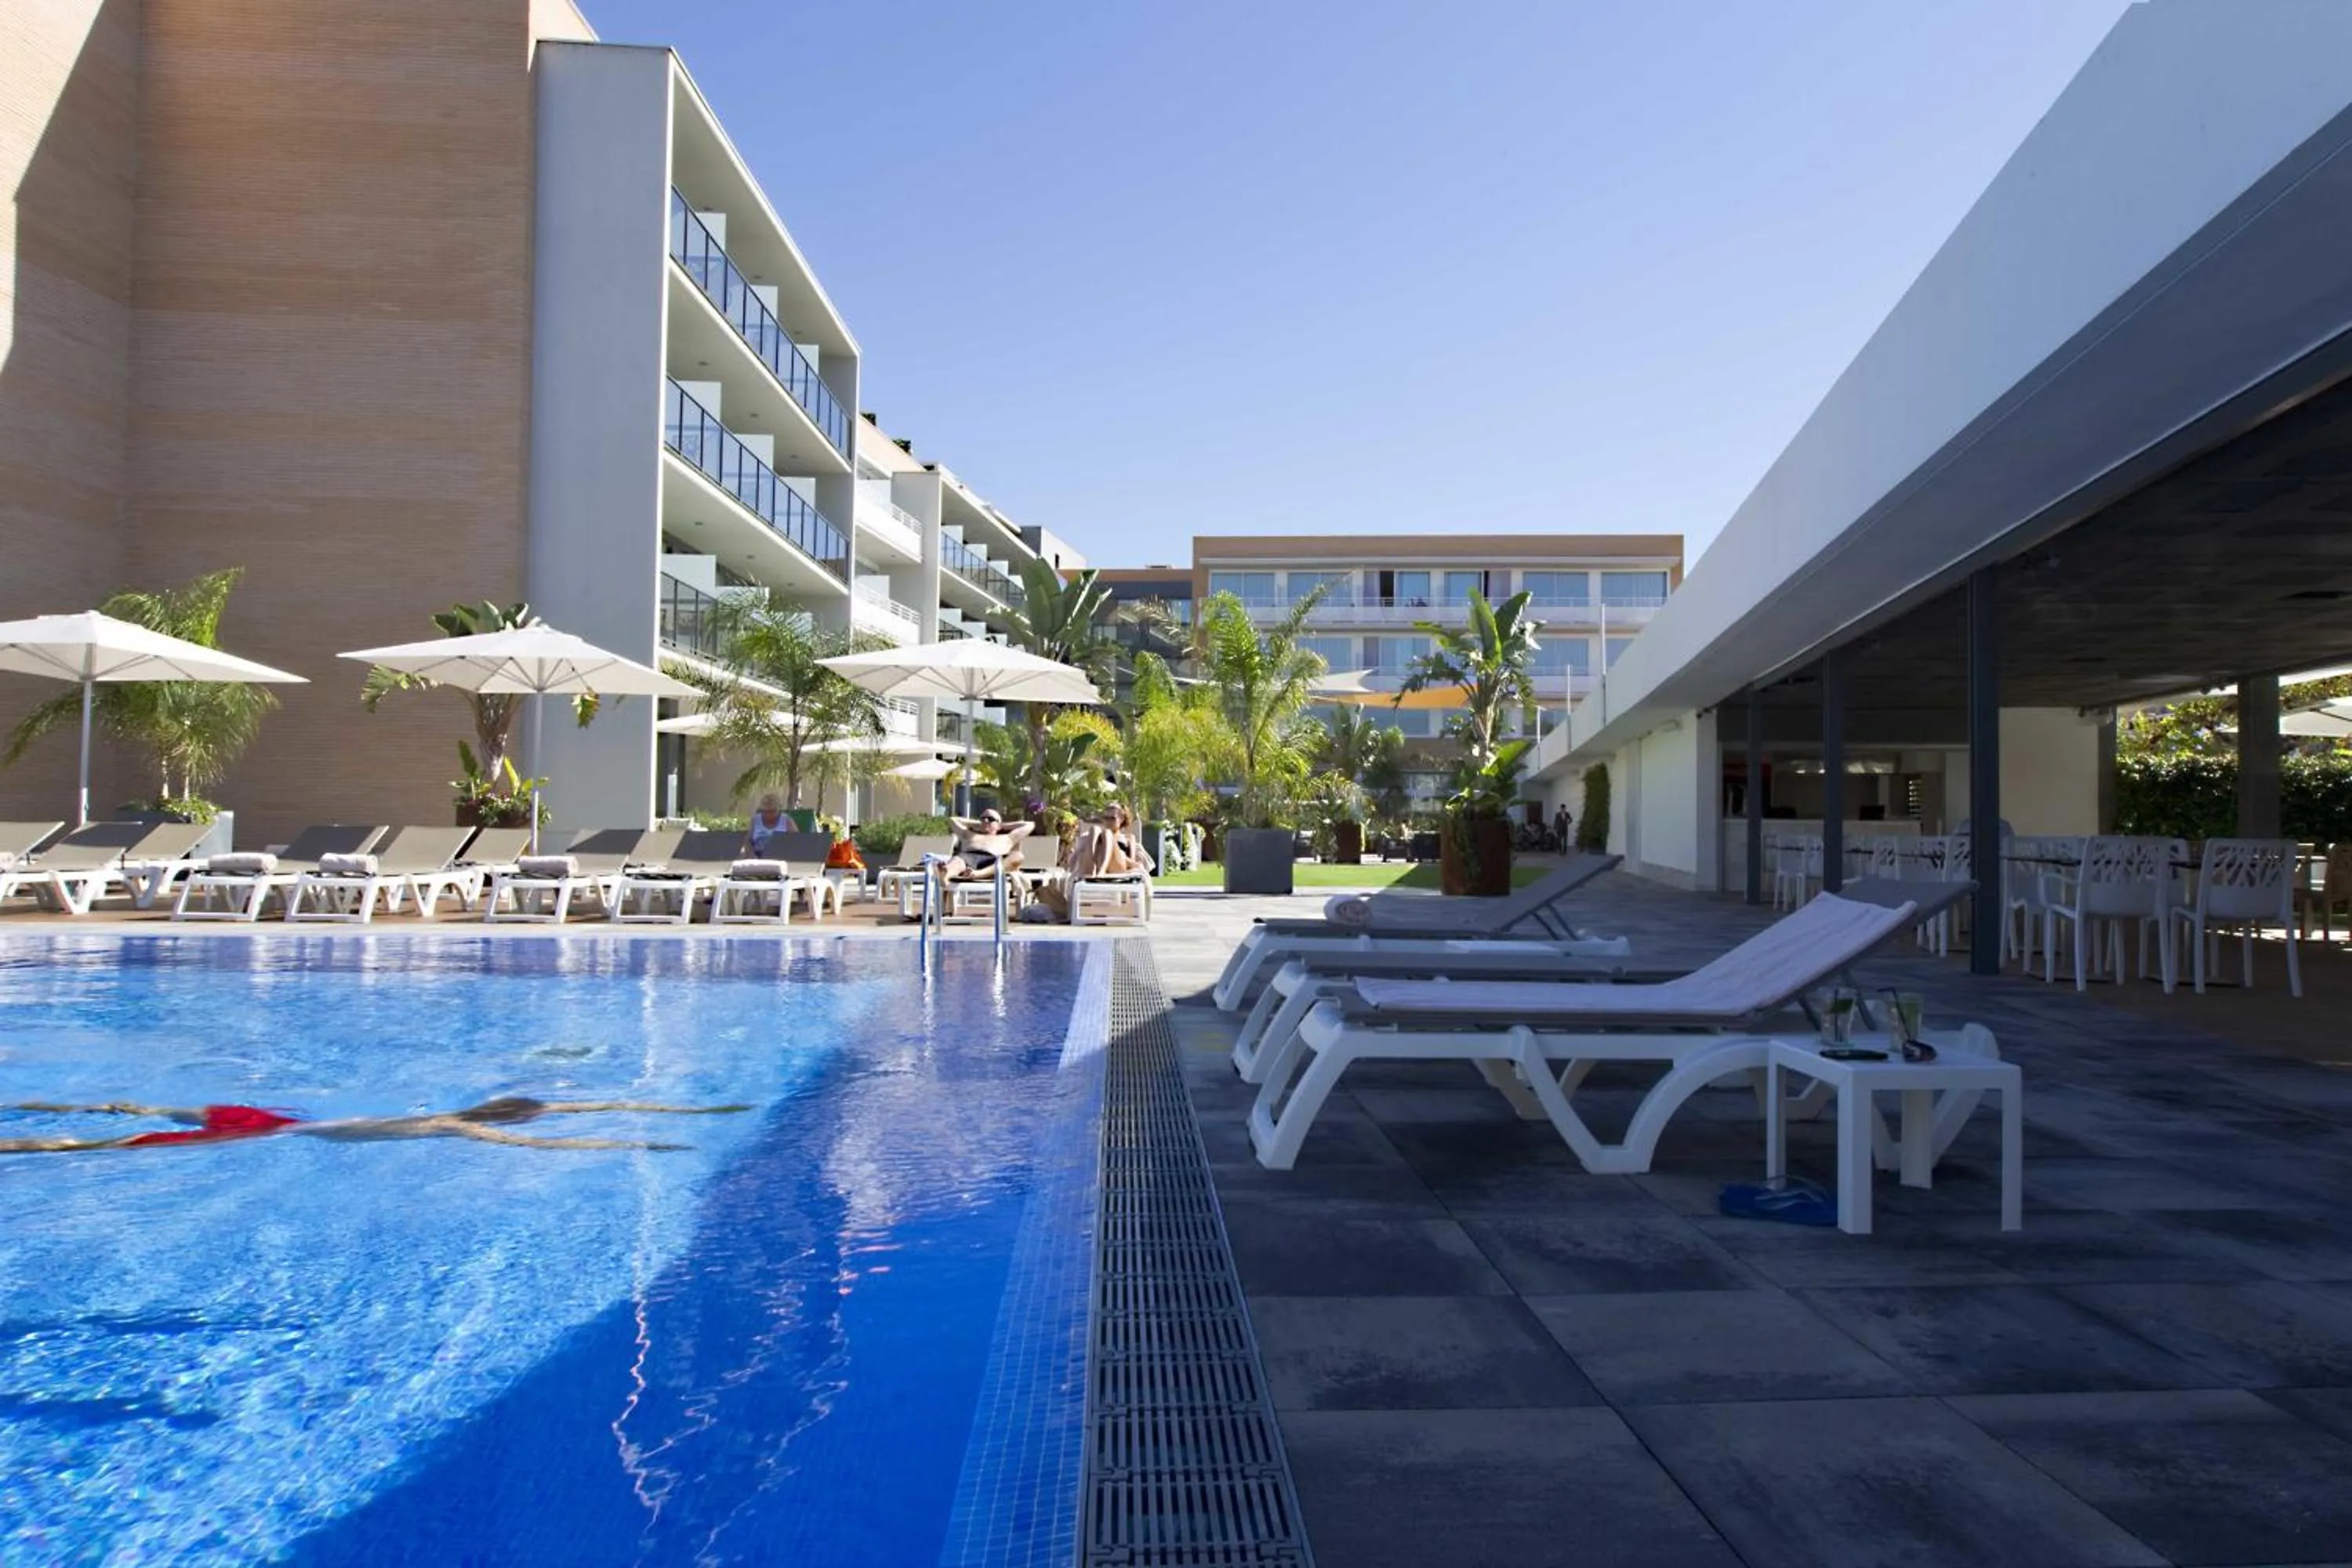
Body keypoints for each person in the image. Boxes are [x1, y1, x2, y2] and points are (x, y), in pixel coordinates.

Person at [0, 1097, 750, 1155]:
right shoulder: (454, 1131)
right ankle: (24, 1139)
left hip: (283, 1119)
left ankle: (45, 1113)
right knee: (116, 1148)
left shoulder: (450, 1112)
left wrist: (671, 1115)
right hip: (275, 1137)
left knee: (142, 1112)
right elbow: (543, 1140)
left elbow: (556, 1115)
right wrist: (633, 1141)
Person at [938, 808, 1032, 886]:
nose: (986, 820)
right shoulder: (969, 834)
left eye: (990, 819)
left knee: (1018, 856)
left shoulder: (1007, 838)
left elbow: (1030, 825)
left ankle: (977, 874)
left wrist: (1003, 825)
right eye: (983, 818)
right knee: (957, 860)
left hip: (995, 861)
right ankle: (946, 875)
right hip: (969, 857)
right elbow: (952, 820)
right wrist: (979, 823)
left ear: (998, 825)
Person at [748, 793, 789, 857]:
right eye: (766, 811)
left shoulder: (786, 819)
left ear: (779, 810)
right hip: (758, 854)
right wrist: (751, 853)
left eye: (773, 811)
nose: (769, 814)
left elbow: (796, 839)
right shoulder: (756, 819)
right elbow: (748, 841)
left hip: (781, 854)